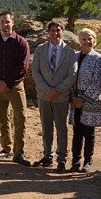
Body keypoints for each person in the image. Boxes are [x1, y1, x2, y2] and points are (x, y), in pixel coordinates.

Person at [0, 11, 32, 166]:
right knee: (2, 119)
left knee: (21, 118)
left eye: (7, 21)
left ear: (13, 22)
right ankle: (6, 148)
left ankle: (19, 152)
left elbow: (23, 67)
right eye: (2, 22)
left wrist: (8, 83)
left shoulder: (21, 43)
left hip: (15, 87)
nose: (5, 24)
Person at [31, 21, 78, 170]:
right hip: (44, 96)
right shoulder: (40, 50)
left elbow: (72, 74)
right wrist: (47, 90)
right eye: (52, 30)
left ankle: (62, 159)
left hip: (61, 97)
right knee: (46, 127)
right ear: (48, 32)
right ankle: (47, 156)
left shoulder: (69, 52)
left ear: (63, 32)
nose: (55, 33)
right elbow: (35, 72)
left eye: (58, 30)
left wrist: (58, 90)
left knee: (61, 128)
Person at [69, 28, 101, 173]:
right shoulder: (74, 57)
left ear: (94, 40)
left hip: (90, 100)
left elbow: (97, 81)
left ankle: (88, 162)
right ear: (79, 40)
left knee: (89, 133)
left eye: (89, 38)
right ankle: (75, 161)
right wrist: (72, 97)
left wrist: (83, 100)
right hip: (75, 99)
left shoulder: (98, 59)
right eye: (83, 39)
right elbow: (69, 77)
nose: (86, 41)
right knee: (76, 132)